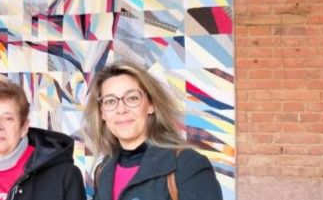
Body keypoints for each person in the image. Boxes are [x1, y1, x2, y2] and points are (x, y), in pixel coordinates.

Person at [83, 61, 223, 200]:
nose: (121, 109)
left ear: (151, 105)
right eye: (110, 101)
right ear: (102, 113)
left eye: (132, 98)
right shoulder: (102, 171)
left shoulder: (188, 164)